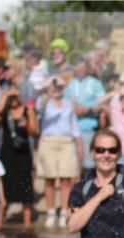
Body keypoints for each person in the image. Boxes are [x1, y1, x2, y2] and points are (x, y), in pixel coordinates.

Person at [37, 76, 82, 229]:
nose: (57, 89)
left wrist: (80, 146)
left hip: (66, 141)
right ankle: (51, 213)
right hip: (48, 141)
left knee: (65, 178)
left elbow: (74, 126)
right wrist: (49, 89)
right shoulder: (44, 101)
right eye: (54, 86)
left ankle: (64, 212)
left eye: (60, 86)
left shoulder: (69, 104)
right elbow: (40, 107)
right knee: (49, 178)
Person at [0, 88, 37, 229]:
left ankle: (27, 225)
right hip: (7, 155)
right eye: (11, 97)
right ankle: (0, 223)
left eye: (15, 96)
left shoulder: (28, 110)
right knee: (5, 187)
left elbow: (34, 132)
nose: (13, 99)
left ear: (20, 96)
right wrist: (6, 95)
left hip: (23, 155)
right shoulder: (5, 111)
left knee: (25, 188)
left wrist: (27, 124)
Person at [65, 55, 105, 171]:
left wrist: (87, 110)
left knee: (89, 165)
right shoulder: (71, 84)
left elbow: (103, 105)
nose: (80, 70)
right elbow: (64, 103)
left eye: (83, 67)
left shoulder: (95, 84)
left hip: (88, 129)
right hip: (71, 130)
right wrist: (71, 108)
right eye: (77, 68)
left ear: (87, 68)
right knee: (73, 166)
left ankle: (89, 187)